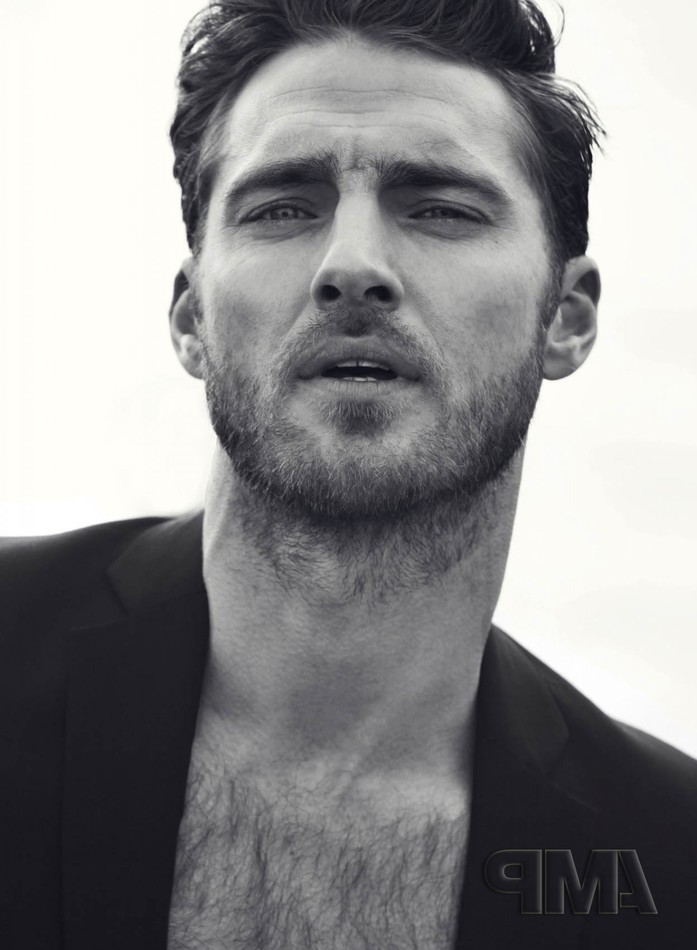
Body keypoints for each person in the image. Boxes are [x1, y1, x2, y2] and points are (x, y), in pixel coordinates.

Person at [1, 0, 694, 947]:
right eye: (283, 208)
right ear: (192, 318)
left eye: (440, 209)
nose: (352, 265)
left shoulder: (667, 861)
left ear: (563, 318)